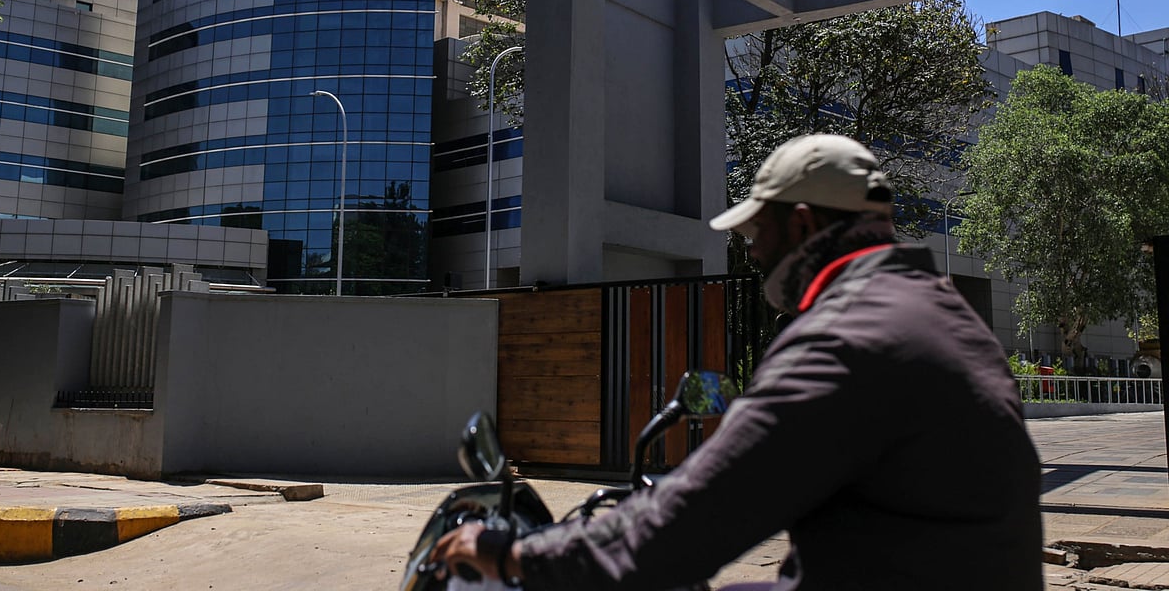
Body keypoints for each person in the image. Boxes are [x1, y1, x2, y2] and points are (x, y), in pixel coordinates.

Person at [431, 133, 1044, 590]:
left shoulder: (845, 338)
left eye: (757, 236)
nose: (751, 255)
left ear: (802, 224)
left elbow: (696, 519)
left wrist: (514, 554)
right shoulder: (941, 314)